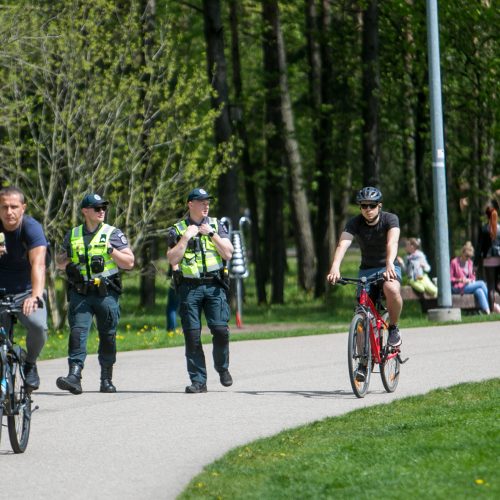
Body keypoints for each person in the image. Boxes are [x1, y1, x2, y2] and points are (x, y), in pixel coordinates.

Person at [55, 193, 135, 394]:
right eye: (97, 208)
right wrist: (69, 262)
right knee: (77, 332)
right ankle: (74, 376)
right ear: (85, 211)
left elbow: (129, 262)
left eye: (103, 208)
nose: (102, 211)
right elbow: (59, 262)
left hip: (106, 294)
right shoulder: (72, 234)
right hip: (80, 292)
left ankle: (106, 379)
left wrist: (111, 251)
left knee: (108, 336)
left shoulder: (113, 233)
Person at [327, 186, 403, 380]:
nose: (367, 209)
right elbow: (343, 244)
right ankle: (362, 363)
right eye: (363, 206)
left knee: (391, 287)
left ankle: (393, 328)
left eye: (371, 205)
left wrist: (388, 264)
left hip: (388, 265)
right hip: (366, 271)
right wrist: (335, 267)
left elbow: (392, 243)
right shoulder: (355, 223)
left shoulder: (390, 219)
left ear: (379, 206)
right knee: (362, 315)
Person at [166, 188, 234, 394]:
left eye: (208, 202)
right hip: (190, 288)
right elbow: (172, 259)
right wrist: (185, 238)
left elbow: (228, 253)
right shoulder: (177, 230)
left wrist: (211, 234)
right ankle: (198, 381)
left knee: (221, 330)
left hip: (214, 286)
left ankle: (222, 368)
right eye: (201, 202)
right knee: (192, 336)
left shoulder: (215, 225)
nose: (206, 206)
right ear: (190, 204)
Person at [0, 186, 48, 391]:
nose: (9, 212)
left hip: (26, 292)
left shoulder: (31, 228)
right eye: (4, 207)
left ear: (23, 208)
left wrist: (35, 296)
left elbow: (38, 264)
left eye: (14, 207)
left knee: (38, 326)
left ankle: (30, 364)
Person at [450, 241, 490, 314]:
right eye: (466, 256)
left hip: (468, 286)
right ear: (462, 253)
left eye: (469, 257)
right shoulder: (454, 262)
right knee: (481, 283)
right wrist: (461, 280)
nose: (467, 259)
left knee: (479, 291)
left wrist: (470, 280)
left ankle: (488, 311)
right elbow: (450, 278)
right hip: (458, 288)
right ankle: (492, 304)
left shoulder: (470, 263)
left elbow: (473, 277)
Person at [476, 200, 500, 313]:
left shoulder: (484, 228)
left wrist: (475, 263)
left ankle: (491, 310)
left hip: (488, 259)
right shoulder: (499, 228)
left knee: (490, 286)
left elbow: (479, 247)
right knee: (498, 284)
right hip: (499, 258)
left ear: (487, 215)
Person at [166, 265, 180, 332]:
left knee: (172, 307)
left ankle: (171, 328)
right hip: (188, 283)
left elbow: (173, 264)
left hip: (175, 283)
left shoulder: (176, 254)